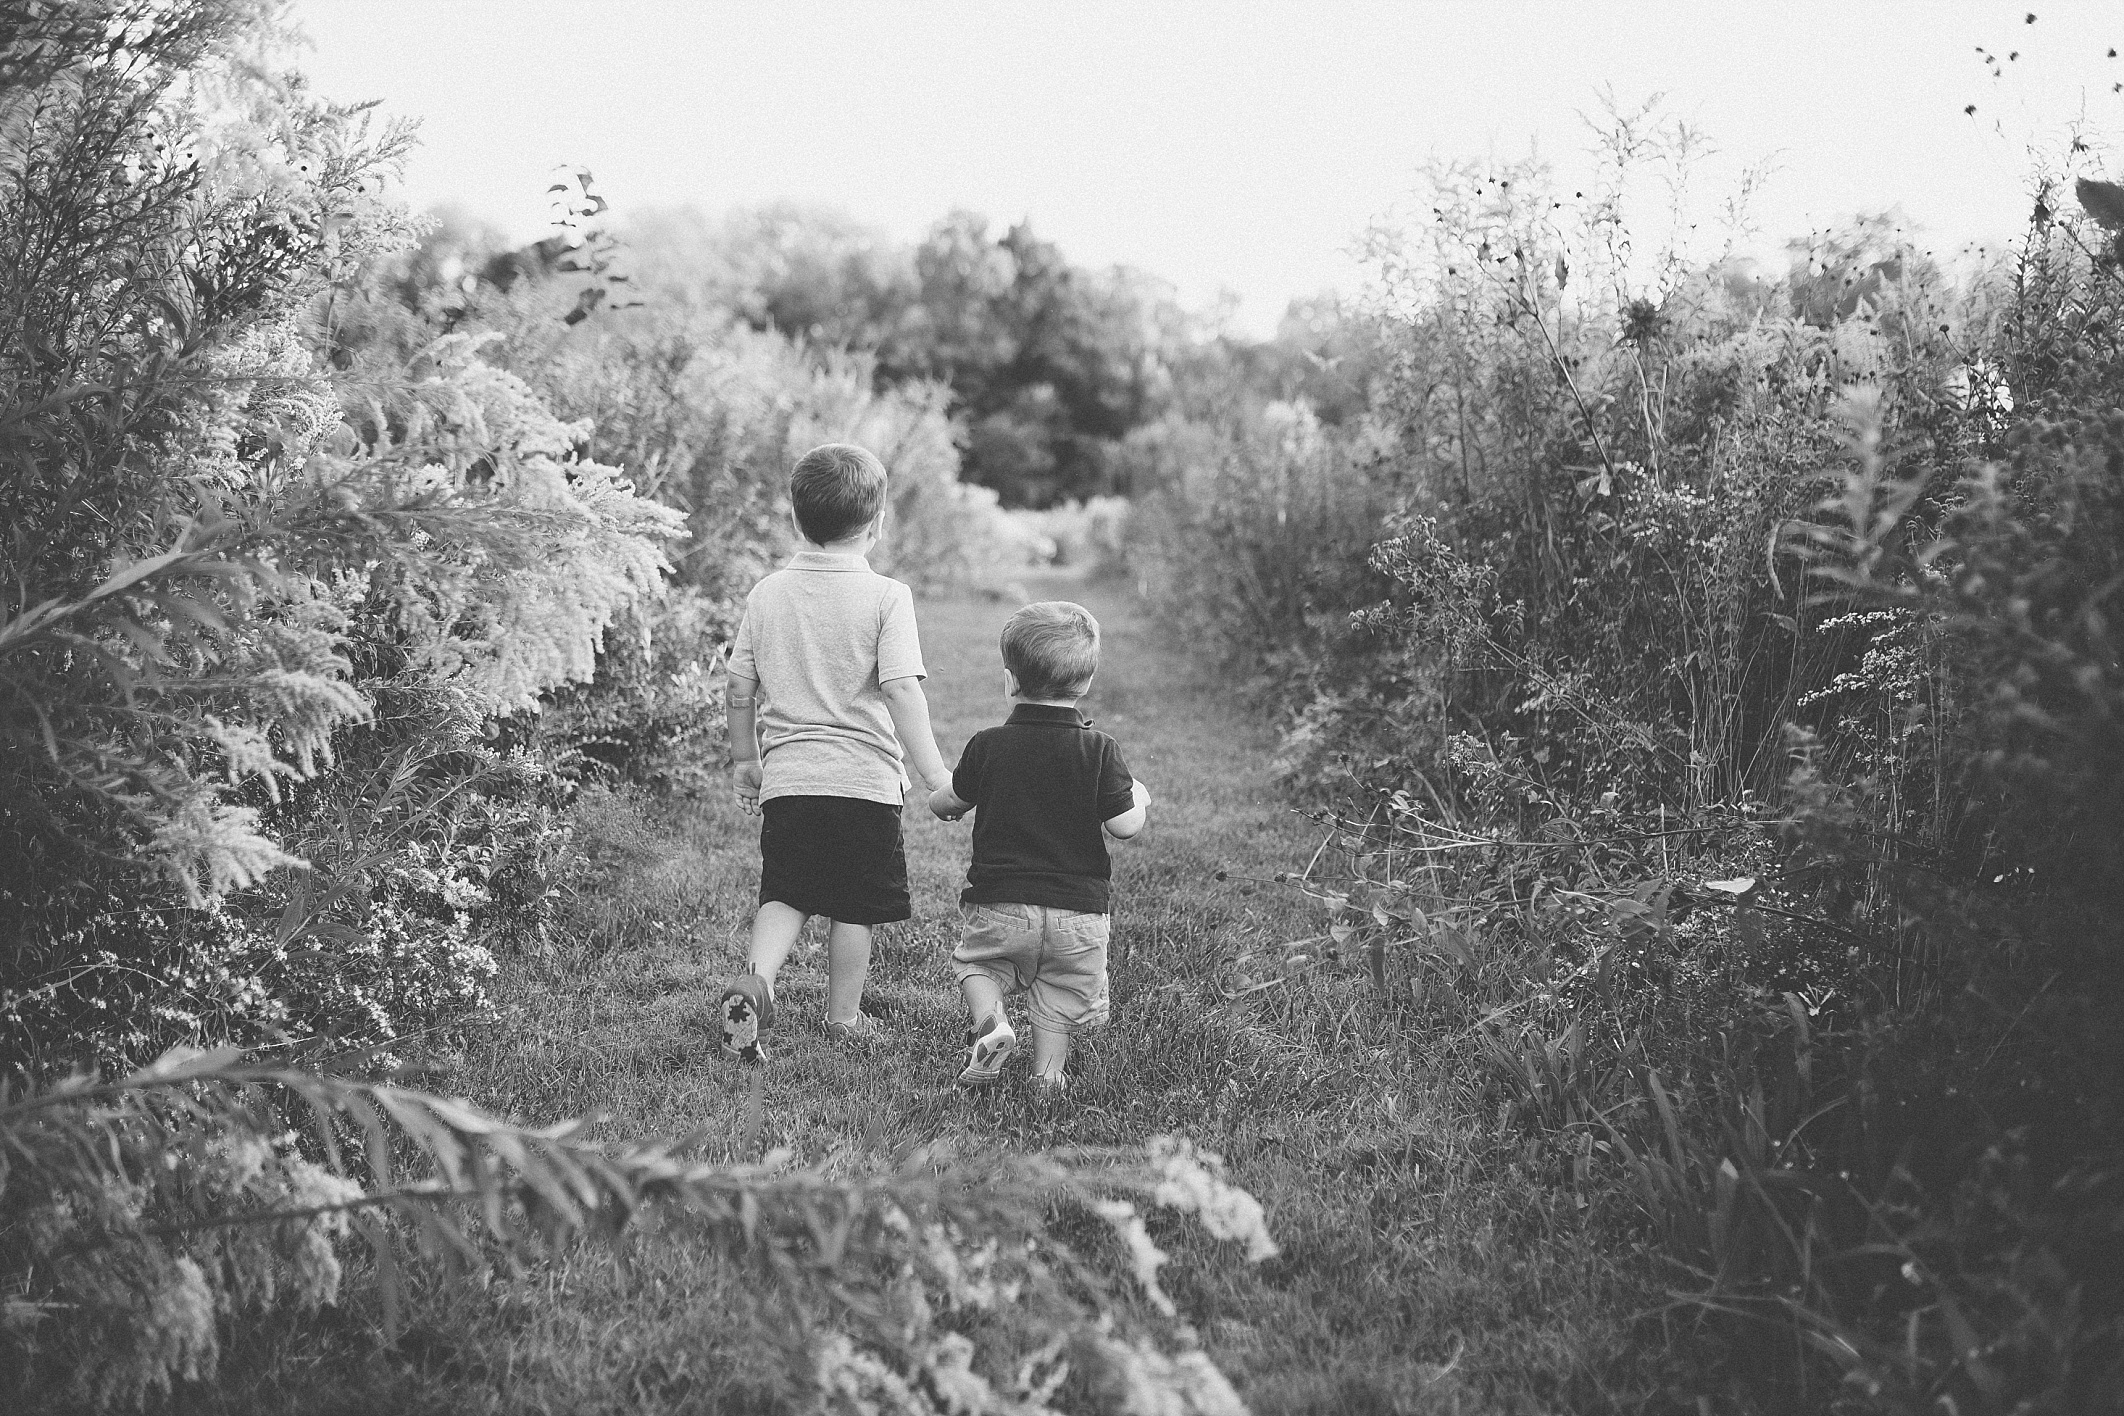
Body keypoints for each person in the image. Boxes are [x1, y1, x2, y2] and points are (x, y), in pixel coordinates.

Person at [718, 443, 953, 1063]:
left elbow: (740, 687)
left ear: (796, 520)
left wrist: (747, 760)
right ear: (877, 524)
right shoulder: (886, 596)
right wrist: (934, 774)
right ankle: (843, 1019)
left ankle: (757, 981)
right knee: (853, 906)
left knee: (785, 889)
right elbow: (902, 687)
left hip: (789, 779)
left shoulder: (767, 593)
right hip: (864, 781)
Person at [929, 601, 1149, 1092]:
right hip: (1078, 915)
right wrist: (1139, 795)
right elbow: (1126, 826)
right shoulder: (1101, 749)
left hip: (1000, 904)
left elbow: (952, 800)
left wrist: (936, 798)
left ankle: (991, 1021)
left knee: (978, 965)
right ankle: (1048, 1078)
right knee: (1059, 994)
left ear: (1011, 681)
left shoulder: (988, 744)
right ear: (1086, 684)